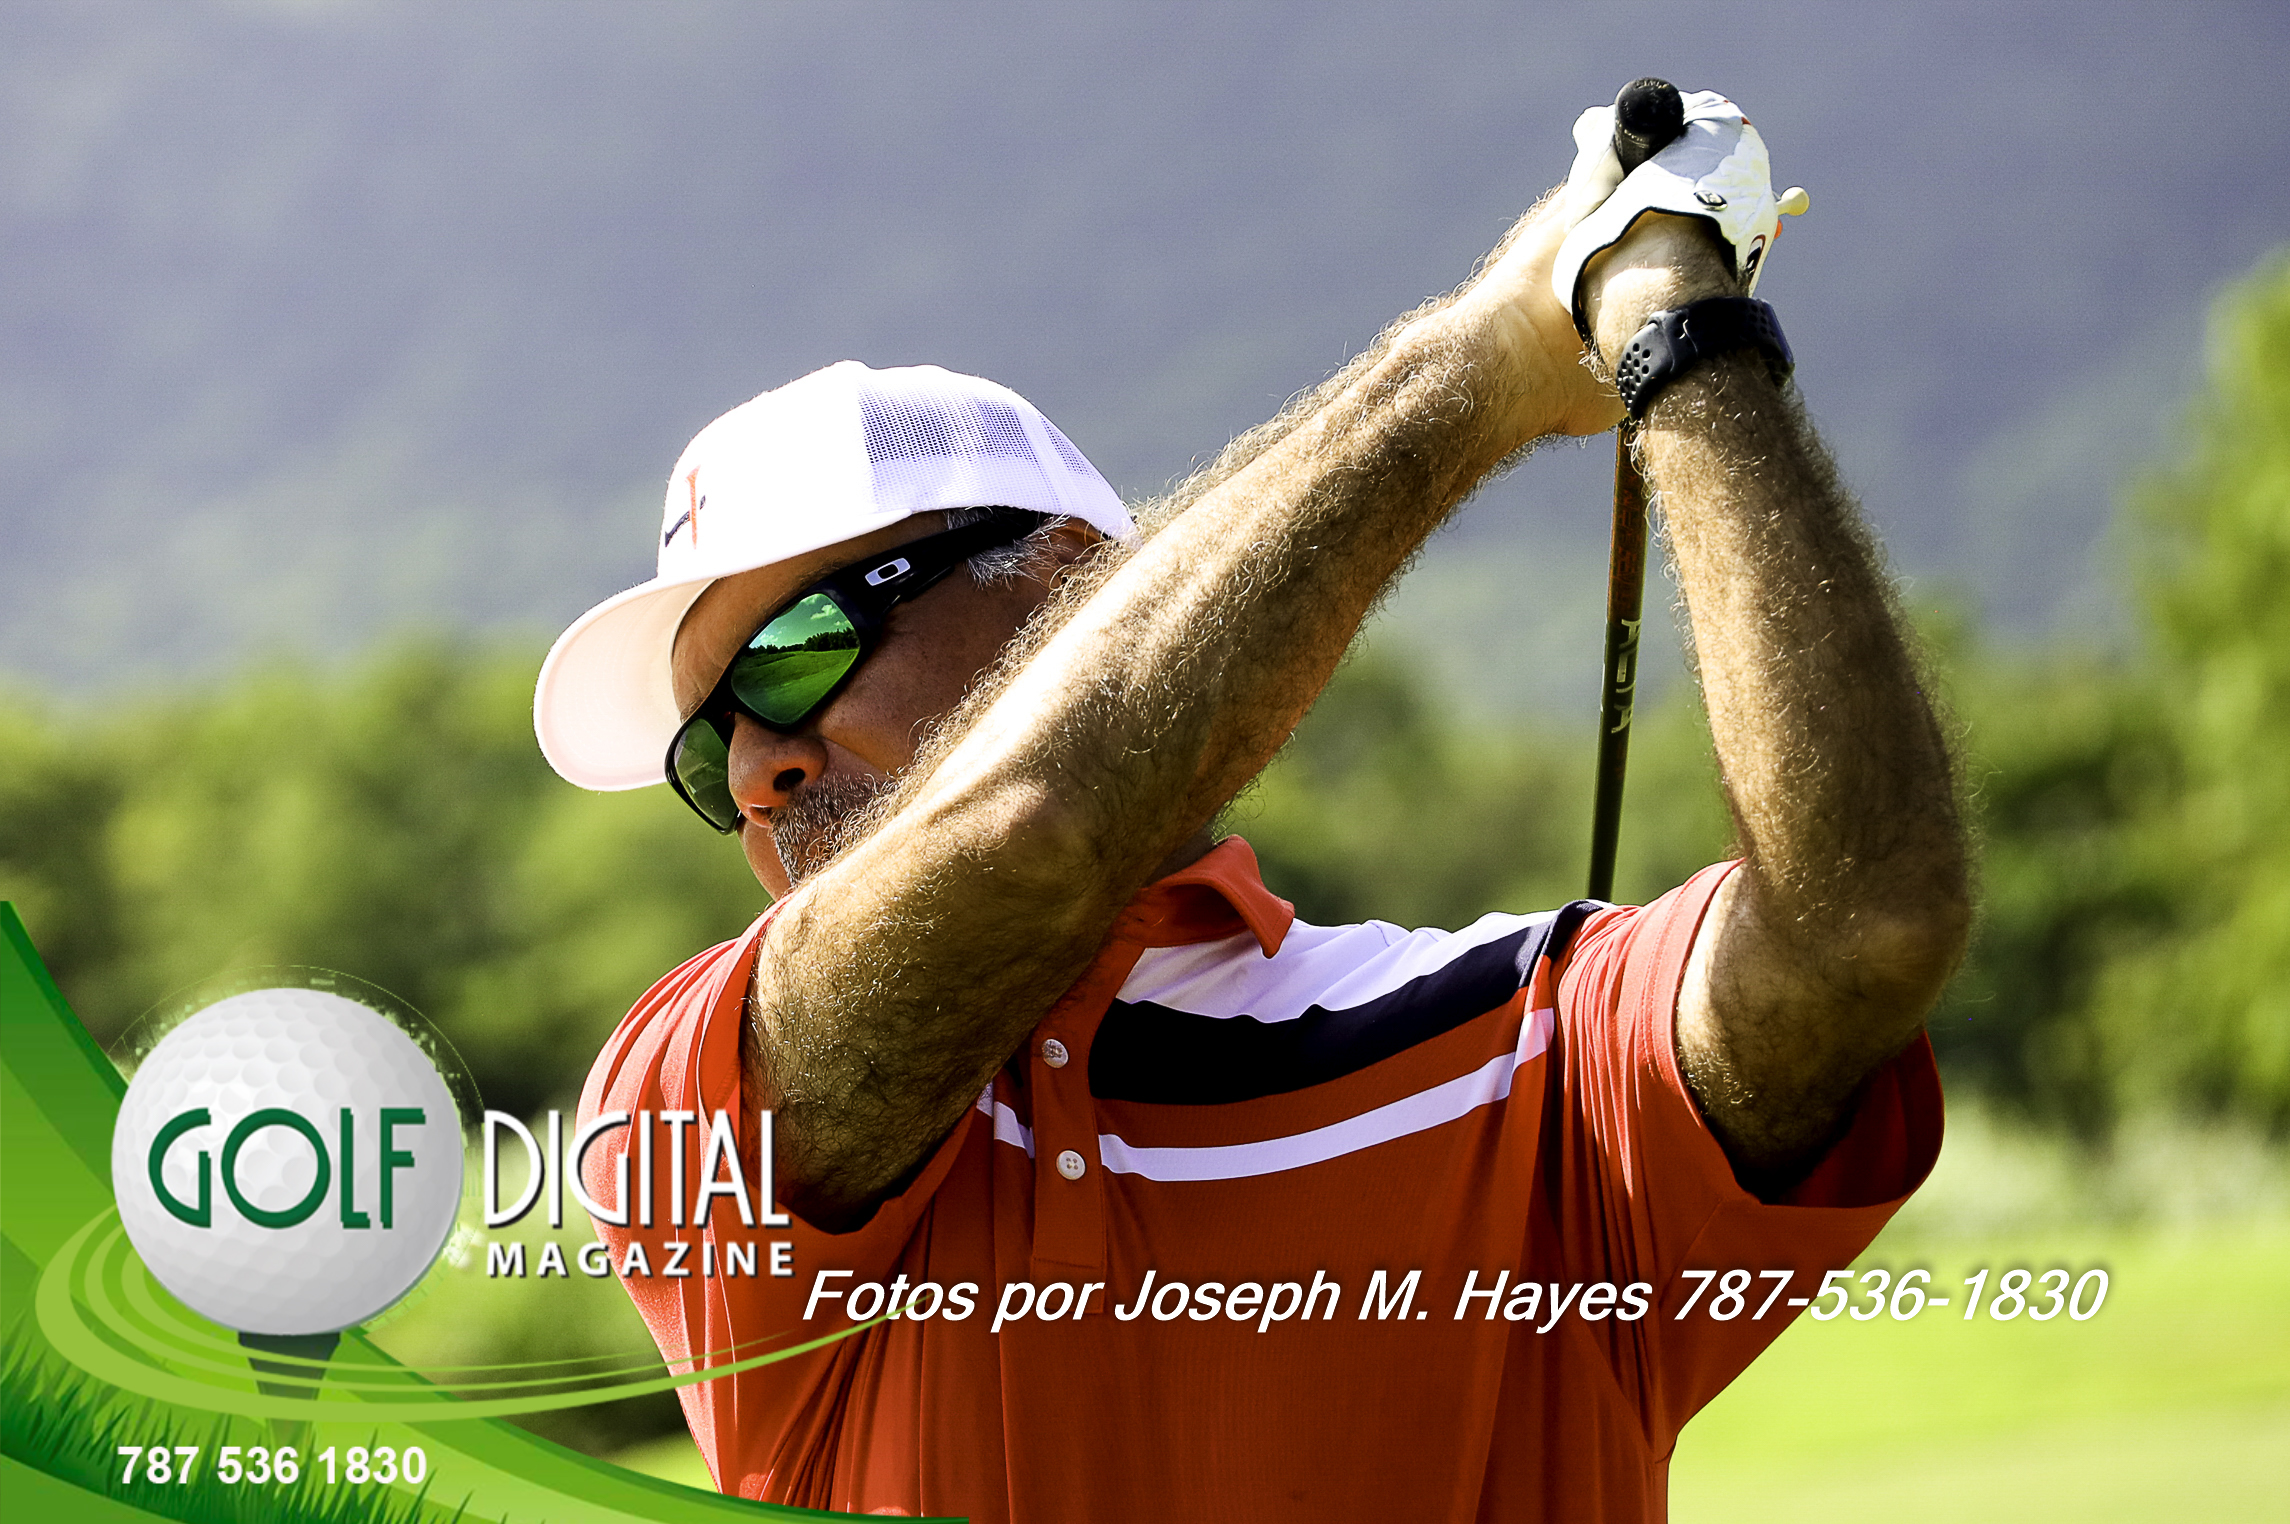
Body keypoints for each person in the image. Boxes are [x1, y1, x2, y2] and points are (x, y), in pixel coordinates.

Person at [537, 90, 1966, 1521]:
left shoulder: (1524, 1040)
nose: (751, 771)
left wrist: (1677, 332)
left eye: (799, 653)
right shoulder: (686, 1102)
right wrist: (1490, 352)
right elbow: (1022, 838)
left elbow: (1863, 924)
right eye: (705, 748)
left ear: (1070, 588)